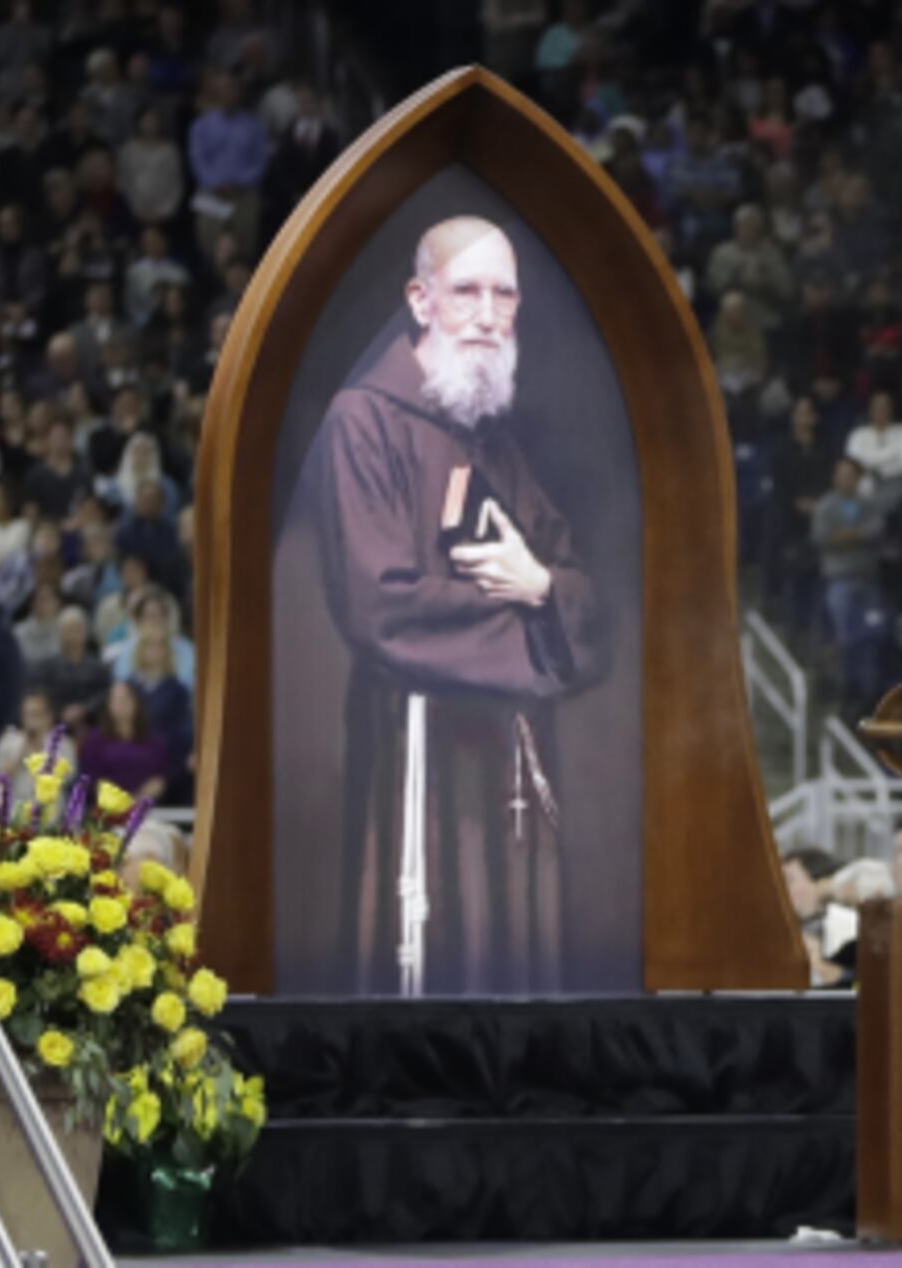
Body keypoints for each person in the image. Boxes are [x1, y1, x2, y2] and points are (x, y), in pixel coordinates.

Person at [308, 217, 611, 996]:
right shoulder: (363, 421)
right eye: (466, 291)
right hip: (417, 745)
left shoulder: (488, 437)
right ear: (420, 299)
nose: (486, 312)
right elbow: (381, 610)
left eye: (503, 294)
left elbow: (570, 581)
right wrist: (525, 622)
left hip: (502, 748)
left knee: (510, 942)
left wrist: (541, 588)